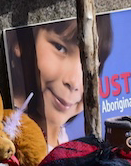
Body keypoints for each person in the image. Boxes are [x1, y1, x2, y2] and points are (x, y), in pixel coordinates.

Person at [10, 17, 113, 148]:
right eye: (60, 48)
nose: (74, 83)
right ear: (21, 42)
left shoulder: (61, 135)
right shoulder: (6, 136)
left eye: (90, 62)